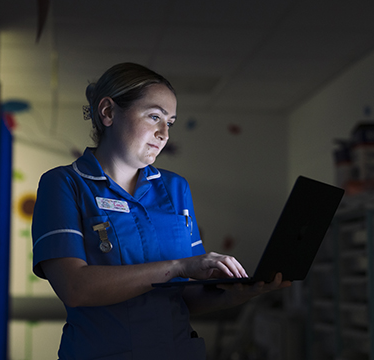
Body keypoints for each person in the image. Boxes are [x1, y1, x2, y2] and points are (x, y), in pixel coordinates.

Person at [31, 62, 291, 360]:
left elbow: (186, 295)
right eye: (154, 116)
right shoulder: (64, 184)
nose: (164, 133)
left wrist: (236, 294)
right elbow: (75, 287)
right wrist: (178, 267)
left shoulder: (175, 188)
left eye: (170, 122)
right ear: (108, 112)